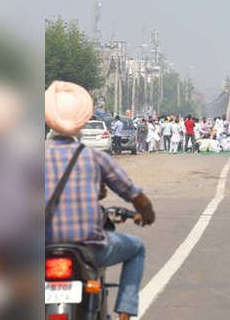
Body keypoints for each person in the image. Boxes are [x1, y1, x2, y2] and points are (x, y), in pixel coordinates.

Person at [44, 81, 155, 320]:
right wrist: (146, 214)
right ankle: (125, 313)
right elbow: (133, 194)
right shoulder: (93, 157)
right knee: (136, 248)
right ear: (83, 118)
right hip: (89, 248)